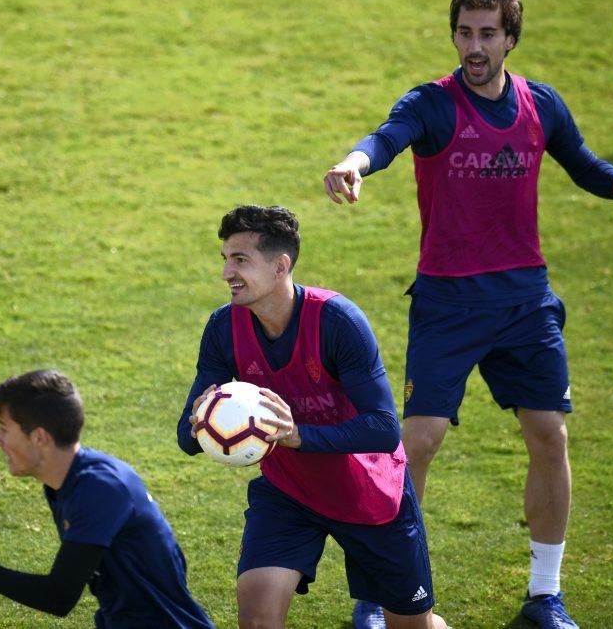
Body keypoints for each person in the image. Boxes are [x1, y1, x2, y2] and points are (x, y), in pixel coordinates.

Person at [323, 0, 613, 629]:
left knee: (549, 435)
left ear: (510, 39)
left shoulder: (540, 104)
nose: (474, 46)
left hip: (524, 299)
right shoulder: (432, 104)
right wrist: (354, 165)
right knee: (417, 442)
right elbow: (386, 138)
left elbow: (579, 159)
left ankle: (544, 596)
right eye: (465, 32)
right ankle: (383, 597)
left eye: (487, 34)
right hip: (447, 300)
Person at [177, 205, 449, 629]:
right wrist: (200, 423)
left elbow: (383, 429)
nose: (227, 272)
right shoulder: (223, 328)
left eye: (240, 260)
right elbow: (186, 435)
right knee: (256, 619)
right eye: (225, 259)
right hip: (289, 492)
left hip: (369, 493)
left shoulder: (338, 321)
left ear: (281, 265)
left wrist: (298, 435)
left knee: (414, 626)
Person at [0, 369, 215, 629]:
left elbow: (59, 596)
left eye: (3, 428)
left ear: (39, 437)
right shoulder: (67, 481)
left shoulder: (100, 489)